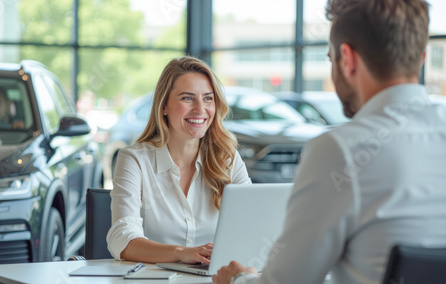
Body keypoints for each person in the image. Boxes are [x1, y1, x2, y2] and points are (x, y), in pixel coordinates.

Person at [213, 0, 446, 283]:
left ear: (347, 59)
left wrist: (237, 280)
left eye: (330, 59)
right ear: (421, 58)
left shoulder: (341, 150)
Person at [106, 56, 251, 264]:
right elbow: (122, 239)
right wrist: (181, 252)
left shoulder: (227, 159)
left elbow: (252, 225)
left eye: (208, 98)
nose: (200, 109)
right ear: (164, 106)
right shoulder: (134, 160)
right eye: (187, 98)